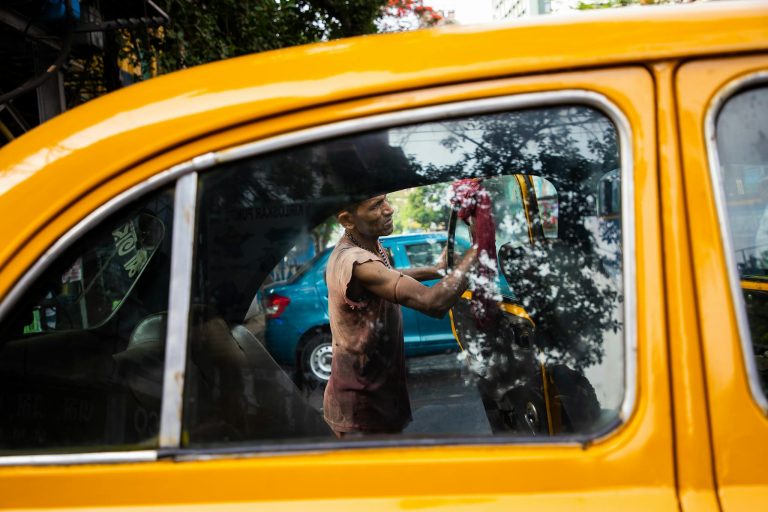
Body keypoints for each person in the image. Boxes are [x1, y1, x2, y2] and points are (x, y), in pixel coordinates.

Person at [323, 194, 478, 438]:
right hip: (360, 406)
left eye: (385, 200)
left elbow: (390, 275)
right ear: (347, 220)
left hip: (377, 395)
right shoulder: (355, 261)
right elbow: (433, 303)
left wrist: (436, 270)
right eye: (375, 205)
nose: (389, 209)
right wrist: (480, 250)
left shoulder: (369, 246)